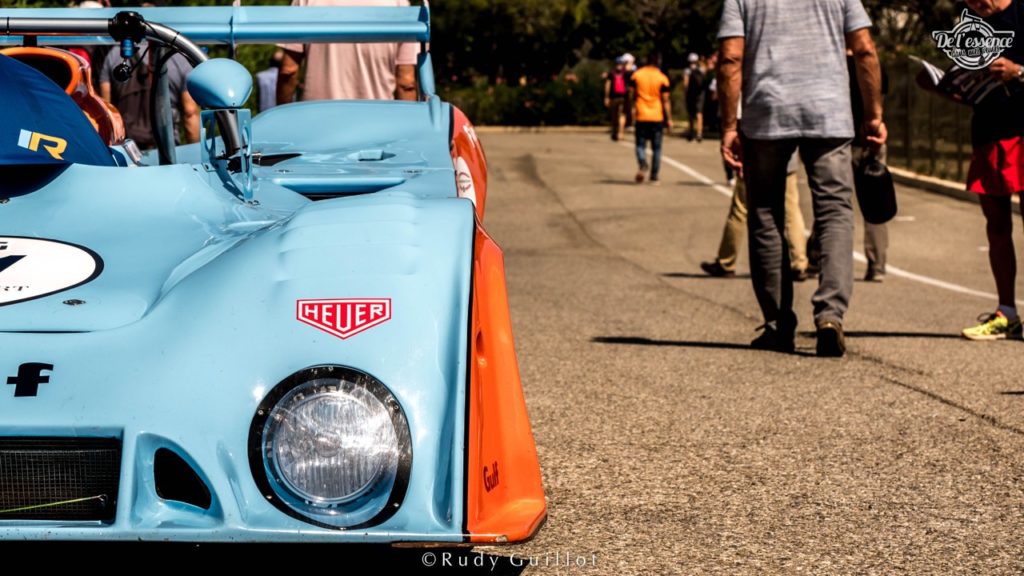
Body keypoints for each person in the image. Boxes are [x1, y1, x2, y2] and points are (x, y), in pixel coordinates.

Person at [717, 0, 886, 357]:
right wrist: (873, 115)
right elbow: (865, 49)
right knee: (835, 211)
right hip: (829, 114)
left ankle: (778, 324)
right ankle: (830, 316)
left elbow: (730, 58)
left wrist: (729, 125)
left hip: (766, 115)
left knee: (765, 211)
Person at [958, 0, 1024, 340]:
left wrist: (1019, 72)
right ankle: (1007, 313)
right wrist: (949, 86)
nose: (971, 4)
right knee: (997, 226)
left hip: (1022, 131)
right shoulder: (970, 20)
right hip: (987, 131)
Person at [277, 0, 419, 103]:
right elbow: (406, 82)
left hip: (317, 122)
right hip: (376, 122)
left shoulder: (305, 2)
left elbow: (288, 71)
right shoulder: (399, 5)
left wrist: (283, 121)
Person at [701, 153, 810, 280]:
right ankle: (799, 263)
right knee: (791, 211)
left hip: (755, 153)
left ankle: (726, 262)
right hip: (787, 160)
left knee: (740, 209)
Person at [98, 40, 199, 149]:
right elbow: (190, 112)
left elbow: (107, 111)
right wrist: (194, 151)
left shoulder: (115, 54)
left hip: (127, 149)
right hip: (168, 147)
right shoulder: (179, 59)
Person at [629, 52, 672, 185]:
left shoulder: (637, 75)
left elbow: (631, 94)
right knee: (657, 148)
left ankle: (642, 162)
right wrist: (669, 118)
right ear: (657, 62)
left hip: (641, 114)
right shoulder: (662, 78)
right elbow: (665, 100)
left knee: (640, 144)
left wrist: (630, 110)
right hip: (656, 115)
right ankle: (654, 176)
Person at [604, 56, 630, 141]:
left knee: (614, 115)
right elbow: (630, 86)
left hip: (614, 97)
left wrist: (607, 97)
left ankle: (615, 132)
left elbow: (607, 85)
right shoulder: (626, 73)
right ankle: (621, 133)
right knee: (622, 114)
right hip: (624, 96)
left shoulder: (611, 73)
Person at [683, 53, 706, 142]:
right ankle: (699, 133)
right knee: (699, 113)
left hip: (691, 94)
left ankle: (691, 131)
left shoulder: (687, 71)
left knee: (691, 114)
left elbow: (686, 84)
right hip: (700, 94)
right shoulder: (701, 69)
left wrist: (685, 94)